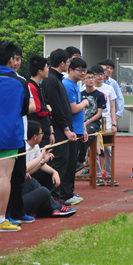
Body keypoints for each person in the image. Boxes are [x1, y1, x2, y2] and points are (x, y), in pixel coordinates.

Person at [0, 41, 31, 232]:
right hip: (10, 135)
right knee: (4, 177)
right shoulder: (20, 82)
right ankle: (0, 219)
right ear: (11, 59)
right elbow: (25, 109)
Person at [41, 49, 76, 202]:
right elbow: (55, 107)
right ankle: (53, 197)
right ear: (62, 63)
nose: (68, 65)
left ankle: (57, 196)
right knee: (59, 161)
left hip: (63, 128)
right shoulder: (50, 80)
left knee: (65, 161)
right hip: (59, 129)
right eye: (68, 62)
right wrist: (66, 128)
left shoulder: (57, 79)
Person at [24, 121, 76, 218]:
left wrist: (54, 172)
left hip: (28, 178)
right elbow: (23, 170)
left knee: (50, 175)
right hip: (23, 185)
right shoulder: (22, 149)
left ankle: (50, 206)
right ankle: (54, 206)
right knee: (41, 189)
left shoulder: (35, 145)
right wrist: (42, 160)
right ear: (34, 136)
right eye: (41, 133)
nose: (43, 135)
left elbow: (40, 164)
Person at [62, 57, 89, 203]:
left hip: (78, 128)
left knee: (74, 162)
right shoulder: (68, 85)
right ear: (70, 70)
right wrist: (85, 103)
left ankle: (70, 192)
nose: (83, 73)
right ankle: (66, 194)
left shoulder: (75, 85)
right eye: (80, 70)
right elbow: (73, 108)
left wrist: (83, 127)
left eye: (84, 70)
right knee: (70, 163)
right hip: (71, 129)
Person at [85, 65, 117, 185]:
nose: (99, 77)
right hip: (93, 123)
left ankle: (109, 176)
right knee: (95, 149)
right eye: (96, 74)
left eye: (101, 74)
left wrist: (114, 123)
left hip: (107, 123)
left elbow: (112, 107)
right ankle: (97, 175)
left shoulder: (109, 88)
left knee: (108, 149)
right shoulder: (85, 88)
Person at [27, 56, 55, 154]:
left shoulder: (39, 86)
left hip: (44, 131)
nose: (48, 70)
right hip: (37, 132)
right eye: (46, 68)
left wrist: (51, 131)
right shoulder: (31, 86)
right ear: (40, 71)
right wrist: (47, 109)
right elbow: (39, 110)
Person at [79, 70, 105, 169]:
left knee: (85, 135)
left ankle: (80, 160)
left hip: (93, 123)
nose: (90, 80)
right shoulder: (80, 94)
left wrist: (86, 123)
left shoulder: (100, 95)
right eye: (87, 78)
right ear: (83, 80)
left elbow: (99, 113)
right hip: (81, 122)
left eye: (92, 77)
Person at [100, 59, 125, 124]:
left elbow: (119, 98)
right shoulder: (95, 81)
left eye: (111, 68)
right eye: (107, 68)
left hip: (109, 117)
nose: (109, 70)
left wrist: (119, 112)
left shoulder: (113, 83)